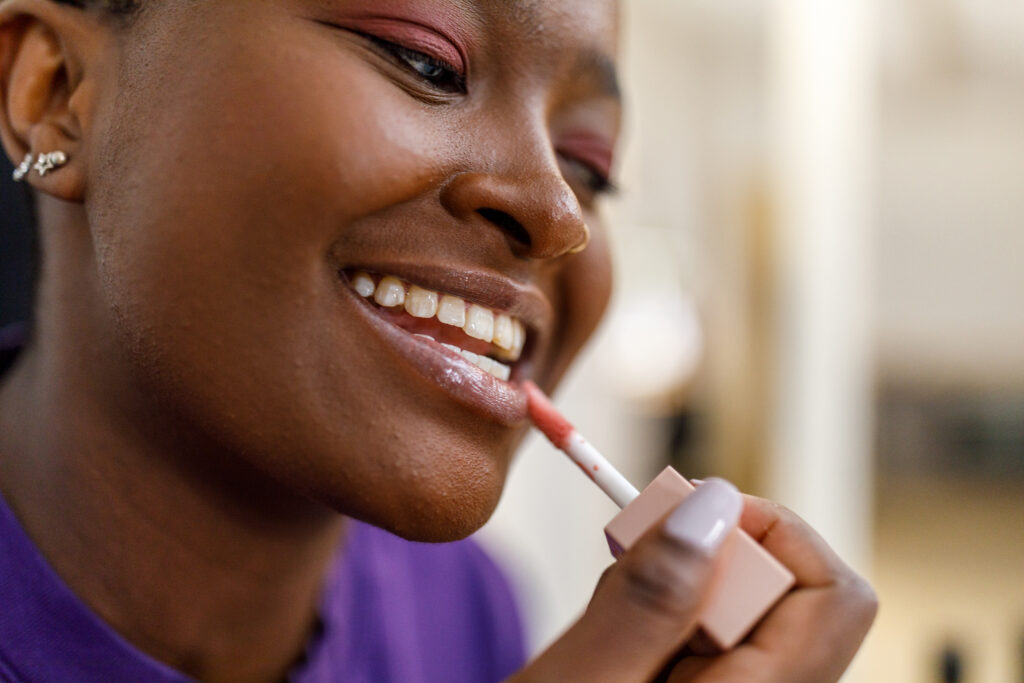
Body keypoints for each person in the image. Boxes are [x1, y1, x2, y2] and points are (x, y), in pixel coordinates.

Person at [0, 0, 877, 680]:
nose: (558, 210)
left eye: (589, 163)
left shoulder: (464, 610)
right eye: (425, 59)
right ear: (55, 93)